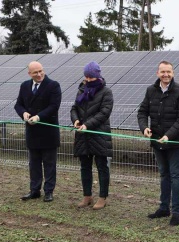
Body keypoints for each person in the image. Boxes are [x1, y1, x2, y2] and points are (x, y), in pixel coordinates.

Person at [137, 60, 179, 226]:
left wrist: (169, 135)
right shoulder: (150, 91)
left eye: (169, 72)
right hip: (157, 141)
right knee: (163, 174)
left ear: (173, 73)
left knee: (175, 175)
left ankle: (176, 212)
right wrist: (144, 128)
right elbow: (142, 112)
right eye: (163, 72)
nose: (166, 75)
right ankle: (163, 208)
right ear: (157, 73)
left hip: (174, 142)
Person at [15, 61, 62, 202]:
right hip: (32, 132)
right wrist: (23, 113)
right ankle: (34, 190)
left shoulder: (53, 85)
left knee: (49, 164)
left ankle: (49, 191)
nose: (39, 74)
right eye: (35, 72)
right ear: (29, 73)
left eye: (41, 71)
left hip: (48, 132)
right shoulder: (24, 86)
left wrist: (39, 116)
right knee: (34, 164)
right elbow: (18, 104)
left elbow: (54, 106)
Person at [70, 61, 113, 210]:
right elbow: (74, 108)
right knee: (85, 167)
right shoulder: (81, 90)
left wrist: (88, 125)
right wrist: (75, 120)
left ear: (97, 76)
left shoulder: (106, 92)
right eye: (86, 77)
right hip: (83, 135)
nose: (88, 80)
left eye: (91, 78)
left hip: (99, 134)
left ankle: (103, 197)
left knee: (102, 167)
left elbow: (104, 113)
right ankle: (87, 196)